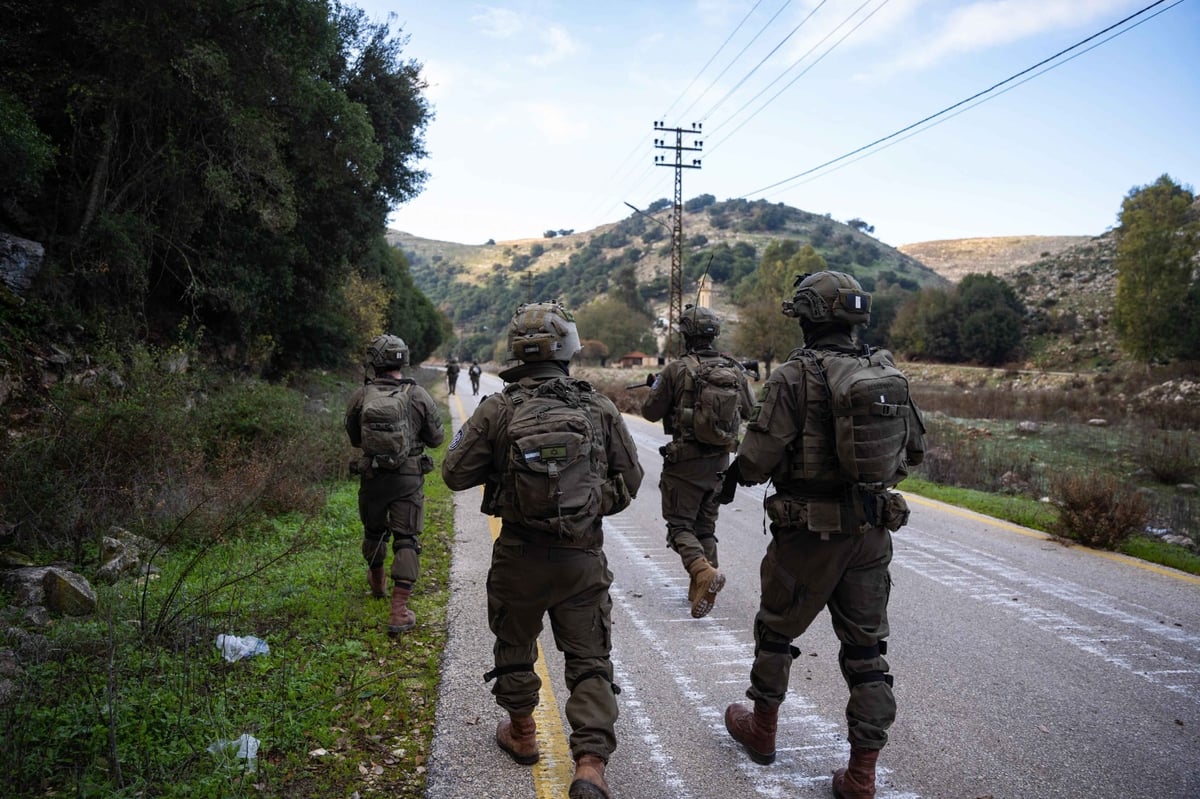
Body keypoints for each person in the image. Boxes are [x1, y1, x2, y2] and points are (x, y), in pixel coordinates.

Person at [719, 272, 926, 799]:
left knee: (776, 632)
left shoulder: (793, 375)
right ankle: (862, 776)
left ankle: (762, 729)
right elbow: (914, 452)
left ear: (808, 315)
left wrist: (729, 480)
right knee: (866, 654)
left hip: (808, 535)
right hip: (871, 531)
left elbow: (756, 458)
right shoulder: (884, 371)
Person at [442, 300, 644, 799]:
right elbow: (631, 477)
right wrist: (592, 505)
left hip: (519, 553)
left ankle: (524, 733)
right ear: (570, 346)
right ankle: (591, 765)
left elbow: (453, 473)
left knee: (514, 645)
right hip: (581, 557)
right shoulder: (597, 406)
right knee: (589, 657)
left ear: (516, 349)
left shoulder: (498, 407)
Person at [640, 304, 754, 618]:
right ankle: (700, 585)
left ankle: (702, 572)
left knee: (679, 525)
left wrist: (655, 386)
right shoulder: (734, 370)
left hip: (685, 463)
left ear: (685, 335)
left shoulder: (676, 369)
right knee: (705, 526)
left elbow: (650, 412)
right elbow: (751, 411)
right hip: (719, 461)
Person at [345, 334, 446, 636]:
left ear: (374, 362)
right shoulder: (418, 395)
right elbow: (437, 438)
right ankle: (399, 611)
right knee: (406, 539)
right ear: (404, 359)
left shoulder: (361, 396)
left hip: (373, 476)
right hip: (408, 478)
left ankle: (377, 585)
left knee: (374, 531)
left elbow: (354, 438)